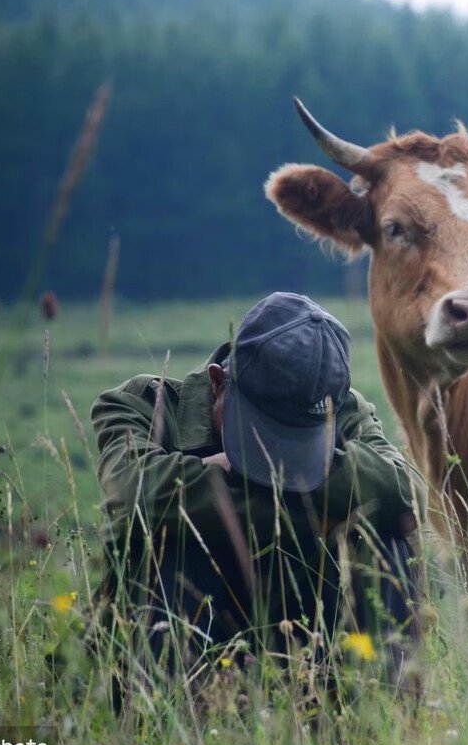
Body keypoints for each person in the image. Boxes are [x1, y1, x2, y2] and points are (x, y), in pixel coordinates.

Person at [92, 292, 423, 690]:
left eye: (294, 445)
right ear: (219, 382)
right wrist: (312, 492)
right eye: (260, 437)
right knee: (162, 540)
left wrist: (223, 479)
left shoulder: (341, 407)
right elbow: (132, 493)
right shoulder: (144, 405)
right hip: (173, 648)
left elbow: (409, 496)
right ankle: (165, 720)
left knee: (387, 539)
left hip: (310, 643)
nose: (272, 464)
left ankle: (378, 712)